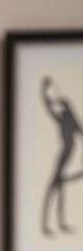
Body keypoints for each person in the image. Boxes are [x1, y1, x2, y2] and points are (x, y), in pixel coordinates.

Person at [41, 76, 83, 236]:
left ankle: (60, 223)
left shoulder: (70, 120)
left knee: (60, 186)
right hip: (64, 155)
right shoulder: (62, 119)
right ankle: (47, 225)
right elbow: (49, 105)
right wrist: (45, 91)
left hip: (70, 155)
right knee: (55, 186)